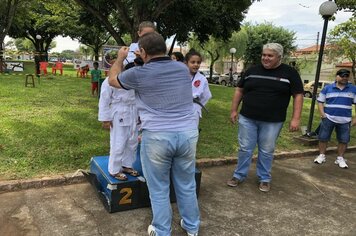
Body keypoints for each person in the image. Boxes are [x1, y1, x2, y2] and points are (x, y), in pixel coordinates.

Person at [108, 32, 200, 236]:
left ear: (142, 52)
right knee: (186, 184)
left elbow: (113, 80)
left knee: (158, 187)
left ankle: (161, 230)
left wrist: (121, 59)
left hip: (158, 136)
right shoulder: (182, 68)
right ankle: (192, 227)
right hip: (187, 133)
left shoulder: (138, 73)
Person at [227, 43, 304, 192]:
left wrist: (296, 118)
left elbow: (298, 95)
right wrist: (234, 110)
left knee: (267, 150)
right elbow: (239, 90)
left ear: (279, 57)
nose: (265, 58)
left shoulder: (290, 73)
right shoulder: (251, 70)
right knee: (245, 148)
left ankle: (264, 178)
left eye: (270, 55)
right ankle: (239, 175)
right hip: (248, 117)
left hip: (273, 121)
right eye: (264, 55)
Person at [98, 77, 139, 180]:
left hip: (134, 110)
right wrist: (105, 118)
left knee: (132, 142)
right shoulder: (111, 79)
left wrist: (141, 115)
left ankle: (127, 165)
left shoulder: (138, 75)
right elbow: (104, 98)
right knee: (118, 142)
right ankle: (114, 170)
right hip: (119, 111)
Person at [314, 69, 356, 168]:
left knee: (344, 140)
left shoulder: (353, 89)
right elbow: (320, 101)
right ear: (337, 77)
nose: (344, 78)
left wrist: (355, 119)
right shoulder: (327, 88)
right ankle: (321, 155)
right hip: (328, 118)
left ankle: (340, 158)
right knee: (323, 138)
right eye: (342, 76)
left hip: (345, 120)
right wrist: (322, 114)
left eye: (346, 76)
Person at [185, 49, 212, 127]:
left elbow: (206, 96)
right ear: (186, 63)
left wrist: (198, 105)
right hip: (180, 108)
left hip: (194, 109)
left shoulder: (202, 79)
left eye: (198, 62)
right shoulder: (180, 76)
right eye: (193, 62)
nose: (196, 64)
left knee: (191, 131)